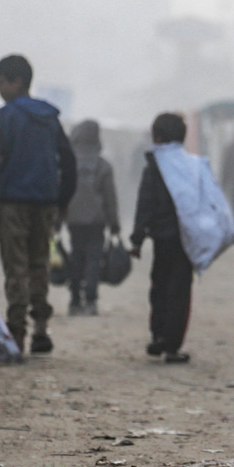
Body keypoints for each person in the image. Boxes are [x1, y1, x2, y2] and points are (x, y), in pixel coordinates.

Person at [0, 54, 76, 355]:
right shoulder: (50, 118)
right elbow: (68, 161)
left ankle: (17, 334)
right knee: (39, 265)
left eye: (1, 82)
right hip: (45, 203)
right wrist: (63, 201)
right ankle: (42, 329)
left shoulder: (4, 117)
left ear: (16, 81)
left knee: (15, 268)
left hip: (12, 204)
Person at [129, 113, 194, 364]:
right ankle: (172, 346)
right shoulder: (191, 166)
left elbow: (144, 204)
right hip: (186, 239)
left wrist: (137, 239)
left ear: (156, 137)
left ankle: (158, 335)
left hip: (162, 238)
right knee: (179, 291)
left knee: (160, 286)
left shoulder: (153, 167)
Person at [65, 119, 120, 316]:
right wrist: (114, 224)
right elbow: (110, 198)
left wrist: (55, 220)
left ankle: (74, 300)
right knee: (93, 259)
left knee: (76, 257)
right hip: (97, 220)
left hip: (72, 219)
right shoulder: (103, 165)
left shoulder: (67, 162)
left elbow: (61, 192)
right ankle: (90, 300)